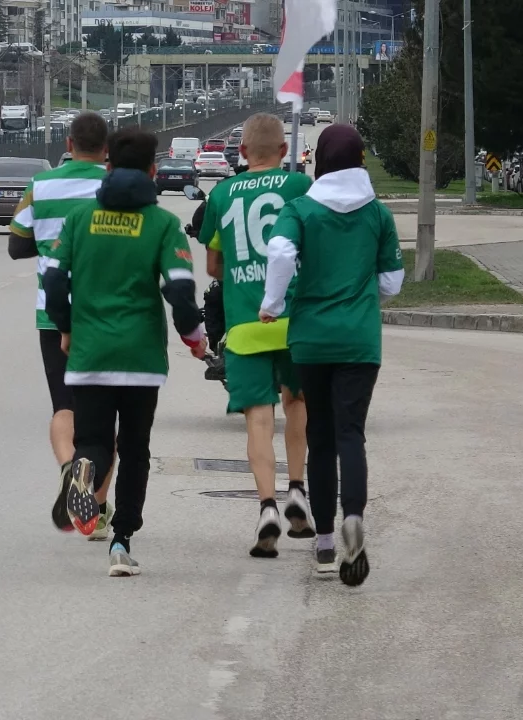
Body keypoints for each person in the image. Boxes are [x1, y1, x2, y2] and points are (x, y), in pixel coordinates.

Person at [43, 127, 206, 576]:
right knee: (135, 449)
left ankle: (83, 469)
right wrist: (195, 339)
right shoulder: (162, 224)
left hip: (90, 354)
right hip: (140, 359)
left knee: (93, 441)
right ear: (154, 171)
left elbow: (54, 280)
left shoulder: (79, 219)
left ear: (108, 167)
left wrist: (66, 327)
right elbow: (179, 289)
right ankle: (121, 541)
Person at [259, 123, 403, 586]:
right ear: (361, 159)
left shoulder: (300, 210)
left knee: (319, 439)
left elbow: (280, 252)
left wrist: (273, 304)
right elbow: (391, 283)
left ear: (320, 160)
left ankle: (323, 544)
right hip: (360, 342)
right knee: (350, 435)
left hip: (312, 341)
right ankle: (354, 516)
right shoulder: (379, 215)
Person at [197, 113, 315, 559]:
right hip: (296, 320)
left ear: (241, 152)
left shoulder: (223, 193)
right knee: (297, 403)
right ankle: (298, 491)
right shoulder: (299, 188)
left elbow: (212, 265)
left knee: (258, 417)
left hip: (246, 324)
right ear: (285, 152)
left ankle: (266, 506)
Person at [8, 113, 118, 540]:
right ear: (106, 148)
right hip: (107, 314)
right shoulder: (113, 185)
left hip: (53, 315)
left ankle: (71, 467)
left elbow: (17, 245)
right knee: (107, 416)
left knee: (64, 406)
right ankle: (100, 509)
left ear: (69, 143)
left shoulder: (41, 185)